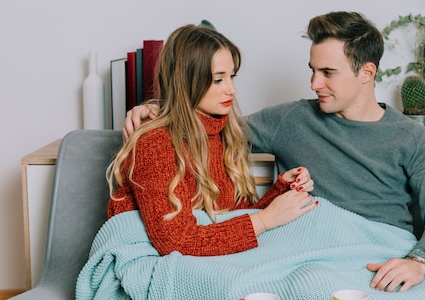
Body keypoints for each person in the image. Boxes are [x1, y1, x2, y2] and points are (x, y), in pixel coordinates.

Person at [124, 11, 425, 291]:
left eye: (328, 73)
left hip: (382, 253)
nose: (315, 84)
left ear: (367, 73)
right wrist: (155, 109)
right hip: (310, 258)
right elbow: (205, 125)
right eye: (313, 71)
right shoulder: (291, 119)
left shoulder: (411, 137)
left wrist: (418, 261)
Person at [108, 23, 317, 257]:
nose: (232, 89)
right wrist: (265, 219)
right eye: (219, 80)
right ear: (187, 81)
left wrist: (281, 191)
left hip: (203, 259)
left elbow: (232, 222)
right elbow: (175, 242)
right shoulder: (155, 143)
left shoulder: (222, 132)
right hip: (159, 262)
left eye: (232, 76)